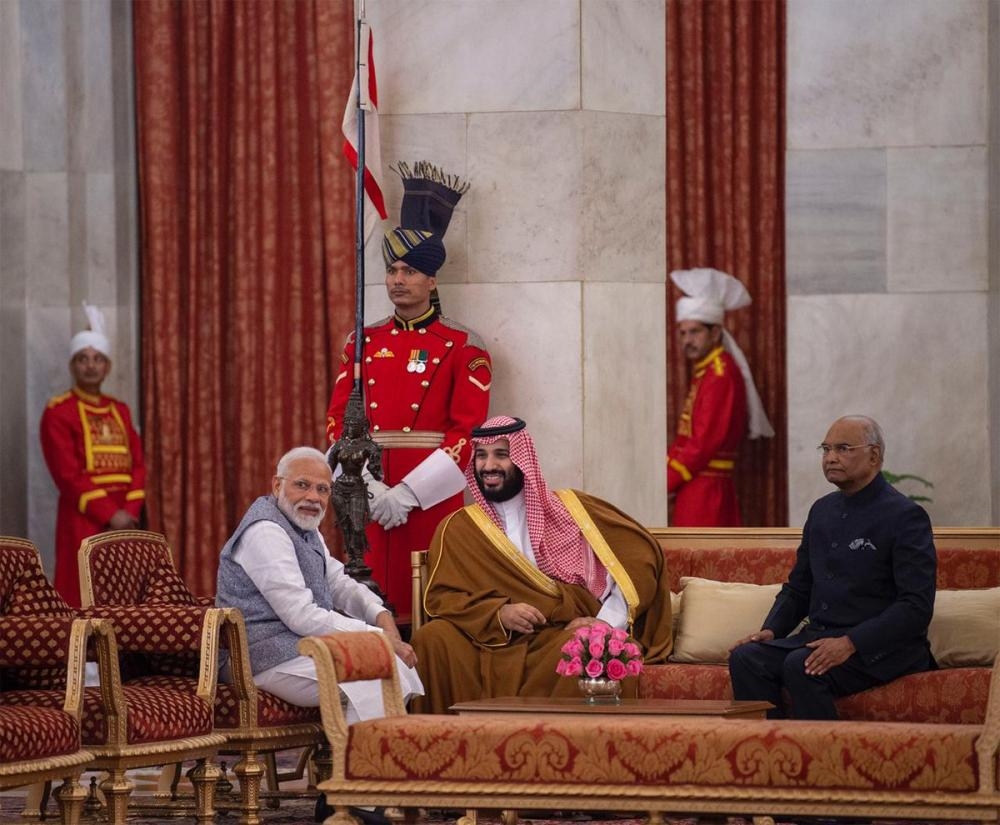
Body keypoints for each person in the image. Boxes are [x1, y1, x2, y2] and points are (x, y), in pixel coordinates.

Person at [410, 416, 673, 714]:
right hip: (484, 637)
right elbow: (443, 598)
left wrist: (604, 622)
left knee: (583, 646)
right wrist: (498, 613)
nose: (488, 465)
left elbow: (638, 559)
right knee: (432, 638)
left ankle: (553, 742)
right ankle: (444, 738)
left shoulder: (570, 511)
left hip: (555, 635)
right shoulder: (459, 527)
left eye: (501, 454)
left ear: (524, 459)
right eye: (481, 456)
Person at [326, 161, 491, 621]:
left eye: (410, 271)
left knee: (429, 607)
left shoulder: (463, 345)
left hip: (429, 495)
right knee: (368, 606)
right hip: (367, 492)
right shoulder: (362, 341)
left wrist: (408, 494)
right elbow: (337, 421)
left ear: (431, 280)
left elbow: (467, 432)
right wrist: (367, 485)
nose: (398, 280)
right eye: (392, 270)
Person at [728, 415, 936, 720]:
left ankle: (824, 750)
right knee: (747, 658)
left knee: (802, 665)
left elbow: (915, 606)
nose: (830, 458)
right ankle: (771, 746)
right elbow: (799, 587)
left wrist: (851, 643)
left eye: (843, 449)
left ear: (874, 455)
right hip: (819, 638)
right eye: (825, 449)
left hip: (881, 648)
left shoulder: (905, 516)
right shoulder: (822, 510)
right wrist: (771, 630)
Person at [215, 446, 423, 720]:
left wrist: (379, 613)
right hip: (256, 658)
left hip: (298, 650)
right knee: (374, 677)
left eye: (322, 489)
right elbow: (300, 615)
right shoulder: (265, 532)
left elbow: (337, 582)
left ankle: (360, 746)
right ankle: (359, 750)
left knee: (395, 668)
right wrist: (377, 637)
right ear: (277, 485)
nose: (313, 497)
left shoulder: (304, 527)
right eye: (302, 485)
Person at [40, 304, 146, 607]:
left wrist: (129, 511)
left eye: (98, 359)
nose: (90, 366)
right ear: (73, 365)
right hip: (83, 517)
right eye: (82, 359)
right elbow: (67, 475)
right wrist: (110, 514)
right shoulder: (59, 412)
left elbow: (138, 465)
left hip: (126, 519)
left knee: (124, 591)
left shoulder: (119, 409)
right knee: (81, 590)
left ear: (107, 366)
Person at [667, 268, 774, 526]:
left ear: (715, 333)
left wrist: (665, 480)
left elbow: (702, 445)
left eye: (695, 332)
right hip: (694, 484)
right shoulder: (706, 370)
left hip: (706, 491)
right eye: (683, 333)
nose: (687, 340)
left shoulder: (720, 374)